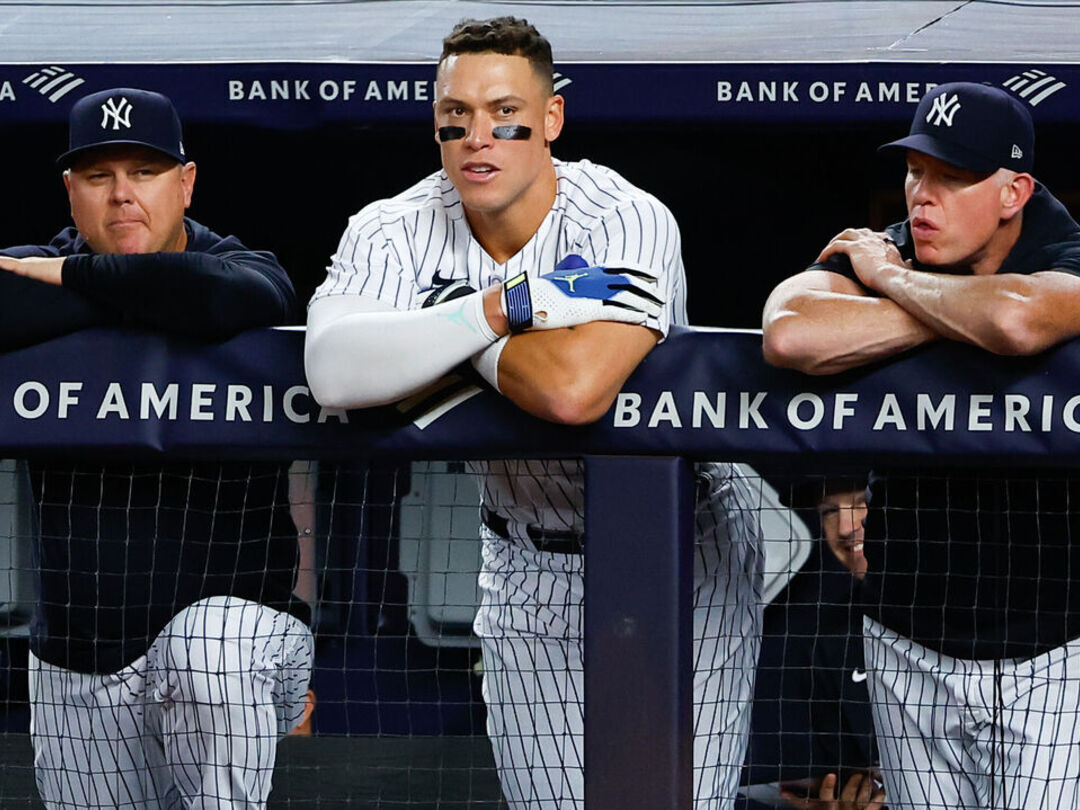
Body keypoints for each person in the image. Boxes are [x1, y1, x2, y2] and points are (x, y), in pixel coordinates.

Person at [305, 16, 763, 809]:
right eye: (455, 118)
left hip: (682, 550)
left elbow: (572, 389)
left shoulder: (620, 215)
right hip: (519, 553)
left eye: (503, 114)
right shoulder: (394, 227)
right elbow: (333, 372)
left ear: (549, 119)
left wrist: (436, 330)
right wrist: (497, 310)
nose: (477, 138)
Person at [761, 82, 1080, 809]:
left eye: (951, 177)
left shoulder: (1063, 248)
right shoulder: (889, 250)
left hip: (1052, 650)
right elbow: (791, 333)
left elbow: (1020, 321)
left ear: (1013, 192)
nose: (921, 197)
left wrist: (891, 287)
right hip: (906, 632)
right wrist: (933, 298)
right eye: (915, 172)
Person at [0, 87, 313, 809]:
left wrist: (78, 284)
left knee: (210, 648)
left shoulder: (240, 263)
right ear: (70, 191)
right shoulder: (37, 263)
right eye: (99, 176)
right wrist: (133, 290)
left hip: (239, 643)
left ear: (186, 182)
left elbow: (231, 296)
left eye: (143, 172)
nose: (122, 196)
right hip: (79, 659)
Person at [742, 478, 882, 810]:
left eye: (863, 502)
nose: (847, 526)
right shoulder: (810, 631)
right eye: (830, 511)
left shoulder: (949, 622)